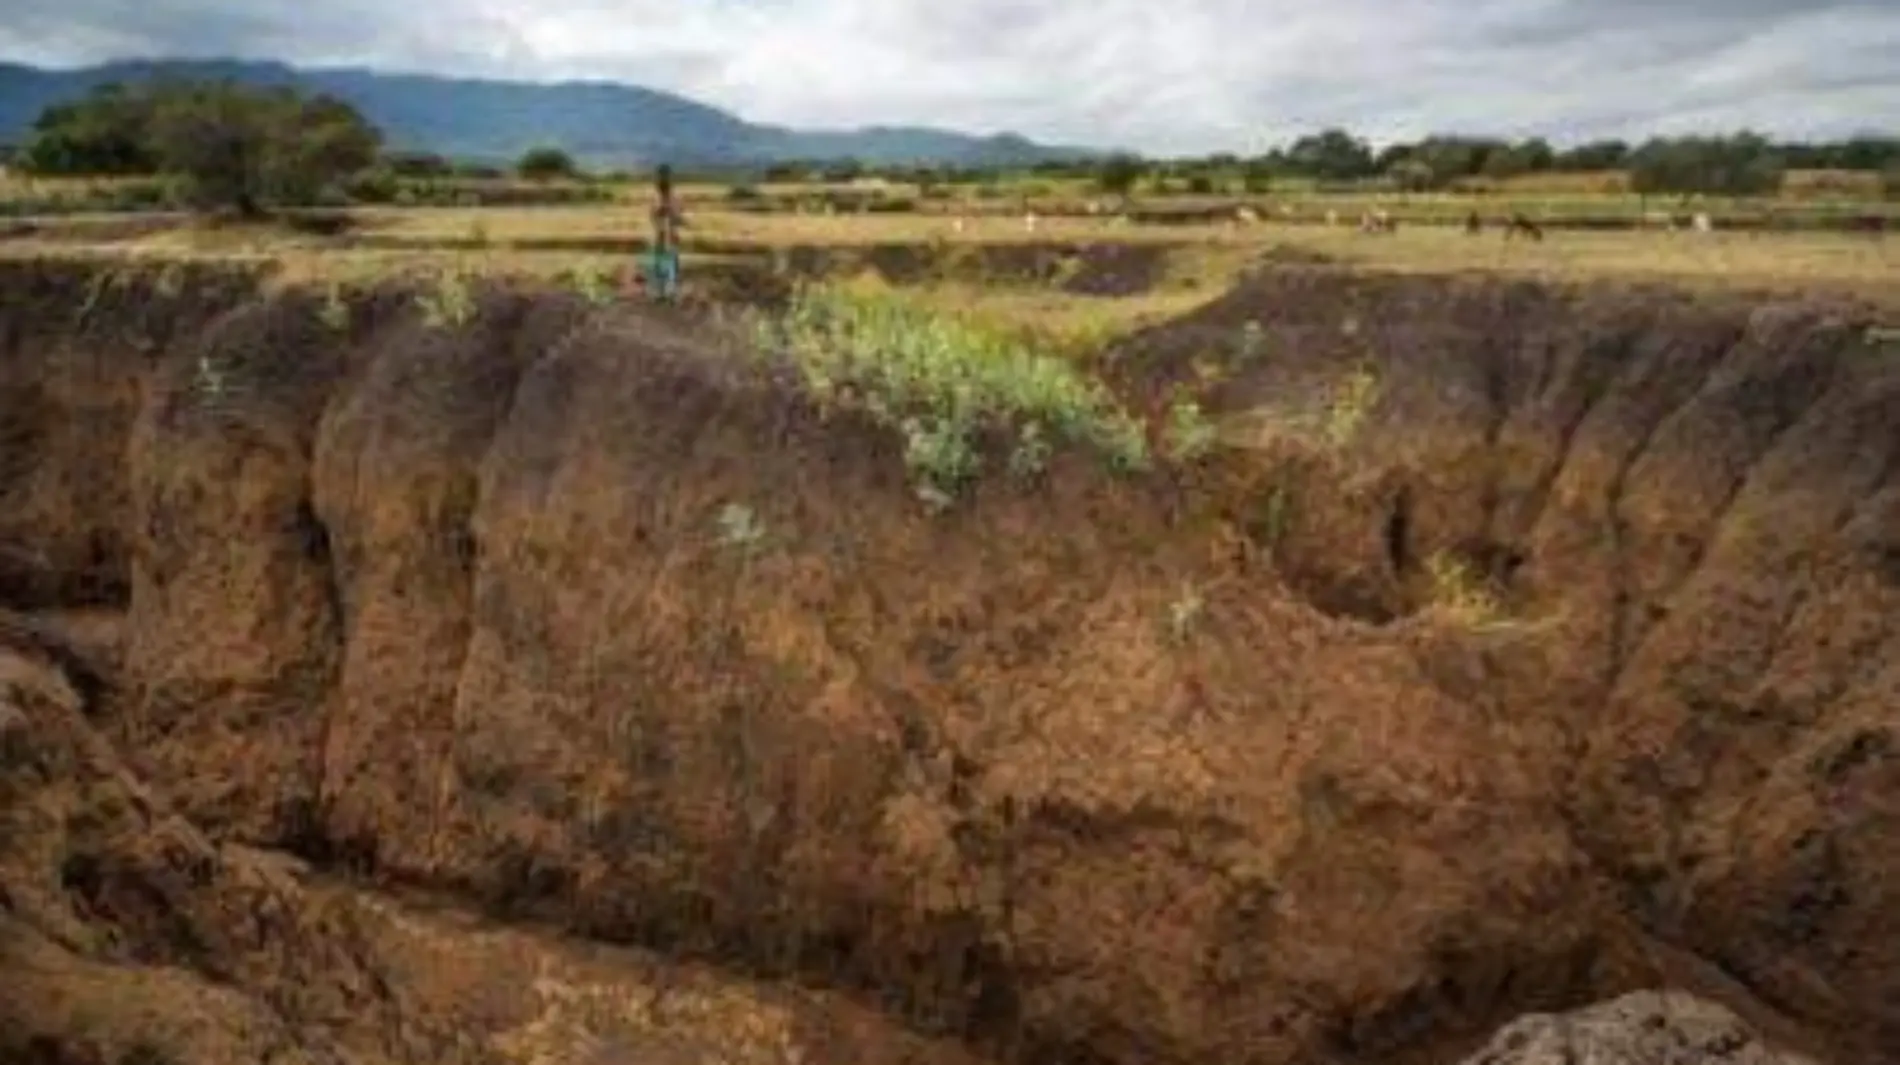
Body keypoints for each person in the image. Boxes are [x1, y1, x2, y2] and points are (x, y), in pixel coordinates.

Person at [646, 164, 686, 301]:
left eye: (664, 176)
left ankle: (669, 291)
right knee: (659, 264)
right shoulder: (655, 197)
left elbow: (678, 215)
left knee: (670, 264)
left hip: (669, 235)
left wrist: (675, 218)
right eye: (660, 176)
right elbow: (652, 215)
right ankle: (659, 292)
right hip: (659, 235)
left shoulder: (675, 197)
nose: (662, 180)